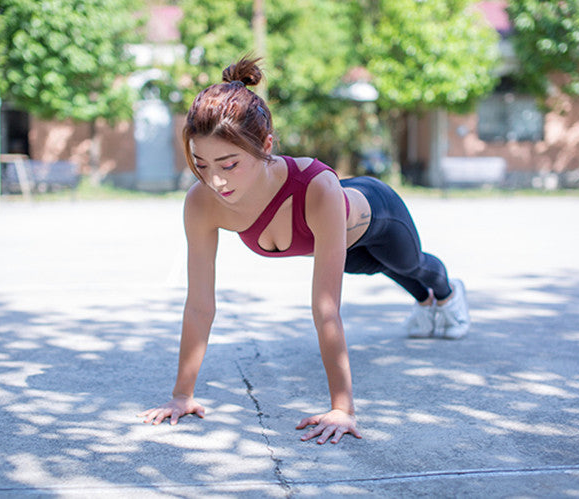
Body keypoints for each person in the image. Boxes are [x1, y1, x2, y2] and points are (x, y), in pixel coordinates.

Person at [139, 56, 470, 445]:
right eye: (201, 164)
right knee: (373, 266)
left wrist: (342, 409)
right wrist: (182, 395)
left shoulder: (317, 187)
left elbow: (326, 309)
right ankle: (426, 304)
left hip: (378, 218)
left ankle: (447, 295)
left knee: (410, 264)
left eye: (229, 165)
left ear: (266, 145)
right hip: (338, 247)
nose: (216, 181)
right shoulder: (202, 203)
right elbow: (199, 305)